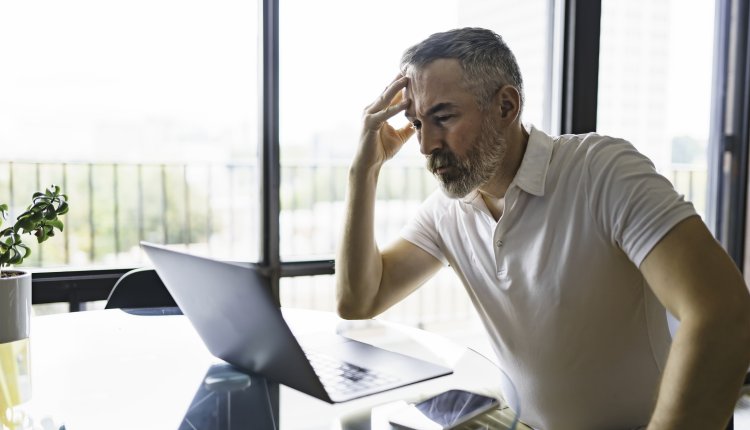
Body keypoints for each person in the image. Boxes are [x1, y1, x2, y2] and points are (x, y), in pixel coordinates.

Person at [335, 27, 750, 430]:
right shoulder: (447, 212)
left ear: (506, 107)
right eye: (418, 123)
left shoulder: (602, 171)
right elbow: (360, 299)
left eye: (443, 117)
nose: (426, 145)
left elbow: (723, 312)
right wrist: (364, 171)